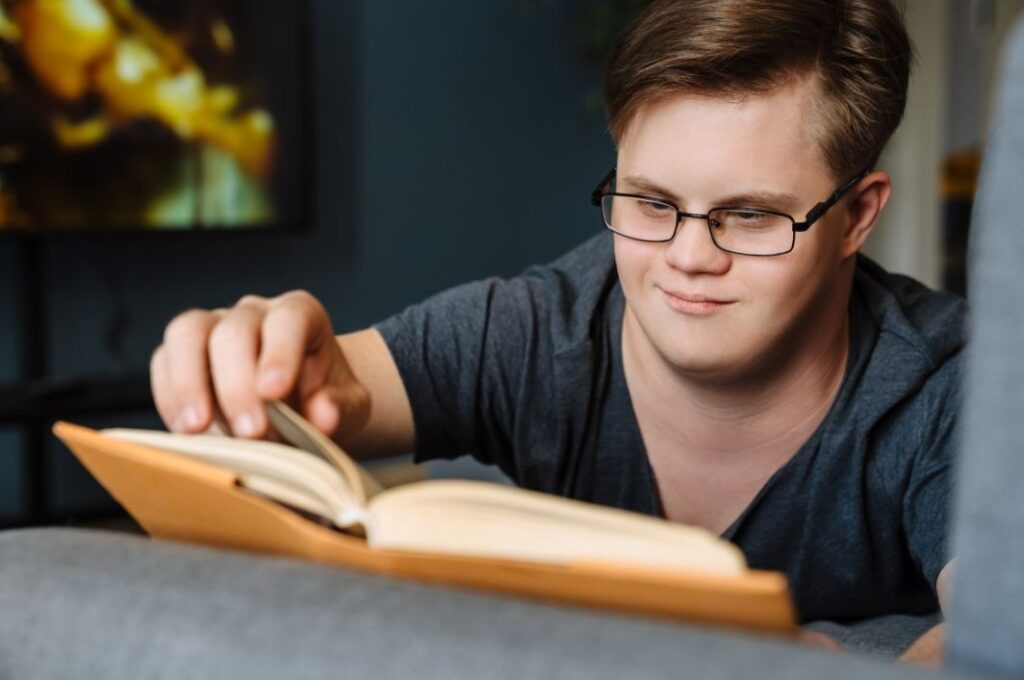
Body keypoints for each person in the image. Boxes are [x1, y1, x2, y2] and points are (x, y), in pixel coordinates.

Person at [149, 0, 962, 664]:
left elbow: (994, 637)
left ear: (856, 216)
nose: (684, 258)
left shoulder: (953, 386)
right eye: (649, 203)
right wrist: (253, 361)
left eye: (748, 216)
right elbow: (336, 389)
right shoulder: (539, 329)